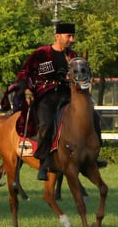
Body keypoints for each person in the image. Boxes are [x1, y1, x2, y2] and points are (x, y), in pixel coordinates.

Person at [14, 22, 78, 180]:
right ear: (57, 36)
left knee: (88, 115)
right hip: (46, 96)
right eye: (68, 36)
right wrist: (26, 90)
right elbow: (23, 72)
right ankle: (44, 161)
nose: (72, 39)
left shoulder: (73, 56)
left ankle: (91, 156)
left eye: (73, 36)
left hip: (67, 95)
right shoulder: (42, 53)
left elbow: (80, 76)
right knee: (46, 124)